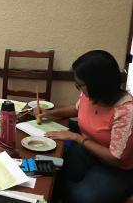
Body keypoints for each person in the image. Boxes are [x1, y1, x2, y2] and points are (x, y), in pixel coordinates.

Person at [35, 50, 133, 203]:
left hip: (116, 168)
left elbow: (116, 158)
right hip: (87, 153)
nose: (78, 88)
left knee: (83, 197)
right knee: (47, 172)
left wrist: (77, 138)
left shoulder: (126, 111)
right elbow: (77, 109)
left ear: (98, 85)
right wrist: (49, 113)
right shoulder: (91, 95)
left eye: (80, 85)